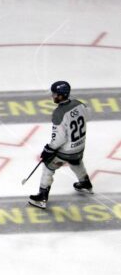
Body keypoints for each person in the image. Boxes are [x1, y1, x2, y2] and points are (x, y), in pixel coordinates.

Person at [28, 81, 92, 209]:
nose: (53, 96)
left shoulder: (59, 113)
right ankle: (85, 183)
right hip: (80, 146)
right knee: (76, 162)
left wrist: (49, 149)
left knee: (48, 167)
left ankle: (42, 197)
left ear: (62, 95)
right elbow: (88, 116)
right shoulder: (79, 104)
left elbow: (59, 139)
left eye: (55, 94)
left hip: (66, 150)